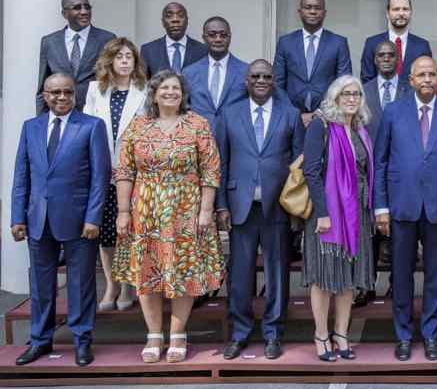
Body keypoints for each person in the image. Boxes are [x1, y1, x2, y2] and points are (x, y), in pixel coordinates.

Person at [112, 70, 225, 363]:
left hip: (186, 209)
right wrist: (123, 211)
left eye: (175, 88)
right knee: (147, 271)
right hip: (145, 210)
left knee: (183, 271)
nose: (170, 92)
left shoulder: (197, 124)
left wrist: (206, 210)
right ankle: (153, 335)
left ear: (183, 94)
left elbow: (211, 170)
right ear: (154, 93)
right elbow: (124, 171)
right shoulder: (137, 126)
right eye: (164, 88)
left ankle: (177, 334)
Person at [375, 56, 437, 362]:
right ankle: (403, 335)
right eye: (422, 75)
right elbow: (380, 162)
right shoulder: (393, 112)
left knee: (434, 276)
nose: (428, 79)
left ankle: (431, 335)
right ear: (411, 80)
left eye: (432, 74)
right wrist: (380, 206)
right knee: (401, 275)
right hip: (401, 205)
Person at [12, 73, 111, 366]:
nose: (62, 97)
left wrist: (93, 218)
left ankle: (82, 341)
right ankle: (40, 341)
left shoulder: (92, 126)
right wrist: (17, 217)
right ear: (45, 96)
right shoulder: (30, 127)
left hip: (80, 221)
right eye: (55, 92)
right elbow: (21, 176)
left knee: (81, 285)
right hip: (37, 219)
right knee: (41, 286)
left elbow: (100, 177)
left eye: (67, 92)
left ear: (74, 94)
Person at [215, 60, 304, 361]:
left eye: (267, 76)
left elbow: (299, 165)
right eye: (256, 76)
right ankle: (239, 333)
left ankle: (273, 333)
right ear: (246, 80)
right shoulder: (229, 114)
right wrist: (221, 205)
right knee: (240, 274)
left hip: (277, 207)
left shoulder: (290, 114)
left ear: (274, 80)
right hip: (240, 207)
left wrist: (296, 208)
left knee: (277, 273)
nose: (262, 80)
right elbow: (221, 163)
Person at [302, 75, 376, 362]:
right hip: (328, 214)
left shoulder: (359, 129)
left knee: (348, 278)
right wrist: (322, 213)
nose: (352, 98)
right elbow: (311, 172)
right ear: (335, 97)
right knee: (323, 277)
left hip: (356, 214)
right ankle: (321, 334)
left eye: (356, 94)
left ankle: (341, 334)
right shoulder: (320, 125)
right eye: (346, 93)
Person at [83, 37, 148, 312]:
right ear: (109, 61)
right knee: (107, 233)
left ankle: (129, 285)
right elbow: (86, 127)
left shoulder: (145, 90)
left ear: (135, 62)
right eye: (119, 56)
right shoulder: (94, 90)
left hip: (135, 172)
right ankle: (112, 284)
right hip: (102, 170)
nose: (123, 61)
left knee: (130, 231)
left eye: (128, 56)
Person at [356, 40, 413, 308]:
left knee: (398, 232)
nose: (386, 59)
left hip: (402, 170)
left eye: (391, 55)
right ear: (375, 60)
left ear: (398, 59)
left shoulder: (410, 89)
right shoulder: (361, 91)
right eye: (381, 55)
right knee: (369, 232)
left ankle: (396, 285)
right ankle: (366, 285)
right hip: (369, 171)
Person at [274, 0, 352, 124]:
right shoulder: (285, 42)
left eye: (317, 8)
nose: (313, 11)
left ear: (324, 13)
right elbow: (278, 84)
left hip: (328, 118)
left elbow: (343, 84)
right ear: (300, 12)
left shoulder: (338, 43)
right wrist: (294, 114)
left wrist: (321, 113)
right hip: (291, 117)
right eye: (308, 7)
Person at [36, 0, 116, 112]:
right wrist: (41, 119)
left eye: (87, 7)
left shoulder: (107, 39)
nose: (84, 12)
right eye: (77, 8)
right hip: (60, 112)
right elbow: (43, 86)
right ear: (64, 14)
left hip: (94, 111)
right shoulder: (49, 42)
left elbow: (114, 80)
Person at [183, 17, 249, 132]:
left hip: (233, 137)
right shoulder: (189, 72)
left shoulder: (246, 71)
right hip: (198, 136)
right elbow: (183, 108)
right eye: (212, 35)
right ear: (204, 38)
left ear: (230, 37)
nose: (218, 39)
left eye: (223, 35)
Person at [360, 0, 432, 84]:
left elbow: (426, 79)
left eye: (405, 9)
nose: (401, 13)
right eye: (396, 9)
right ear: (387, 14)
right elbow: (367, 80)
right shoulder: (372, 43)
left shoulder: (422, 46)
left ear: (411, 12)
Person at [140, 2, 207, 77]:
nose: (175, 19)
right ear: (163, 22)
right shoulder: (148, 50)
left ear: (187, 21)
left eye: (180, 15)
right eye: (169, 16)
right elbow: (143, 82)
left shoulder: (203, 50)